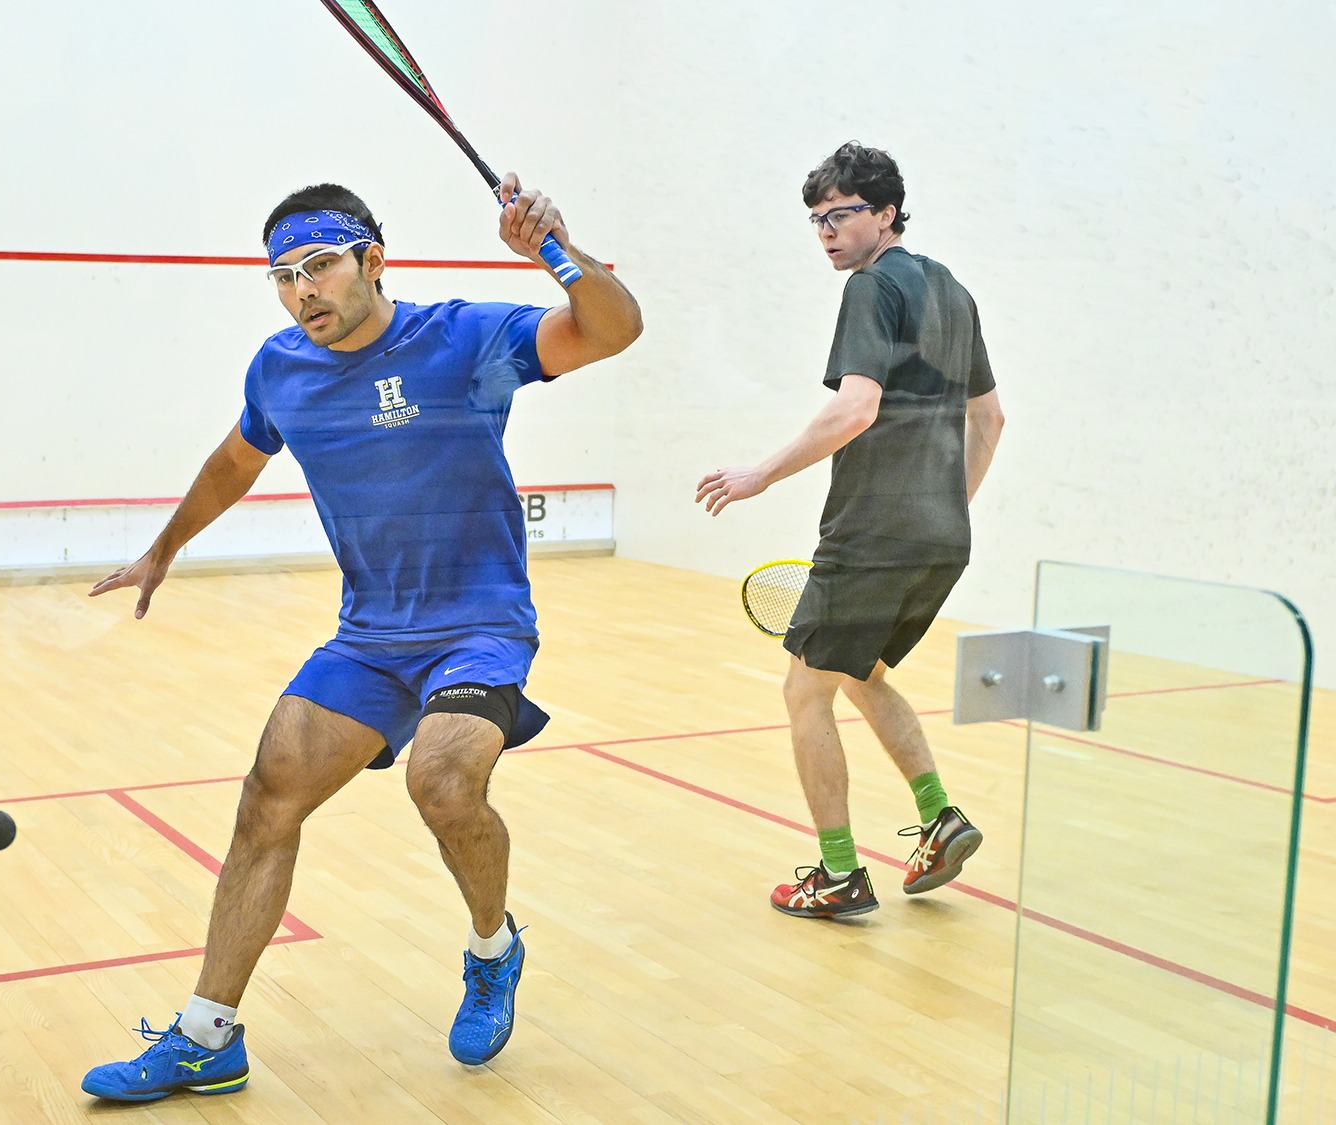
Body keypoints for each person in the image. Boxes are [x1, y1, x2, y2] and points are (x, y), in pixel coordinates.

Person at [79, 178, 641, 1100]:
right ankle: (207, 1034)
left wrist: (559, 250)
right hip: (371, 637)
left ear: (373, 260)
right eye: (284, 275)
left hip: (479, 625)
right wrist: (162, 548)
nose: (304, 290)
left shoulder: (463, 339)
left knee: (442, 776)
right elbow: (233, 461)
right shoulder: (279, 369)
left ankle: (492, 950)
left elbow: (612, 329)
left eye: (321, 266)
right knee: (268, 796)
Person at [695, 142, 1006, 920]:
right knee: (860, 671)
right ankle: (938, 818)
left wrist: (759, 473)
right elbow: (991, 420)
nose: (827, 231)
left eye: (841, 214)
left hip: (872, 535)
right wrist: (946, 508)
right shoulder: (954, 291)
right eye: (817, 219)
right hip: (942, 537)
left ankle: (837, 874)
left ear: (886, 213)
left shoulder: (873, 288)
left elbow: (855, 407)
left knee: (805, 689)